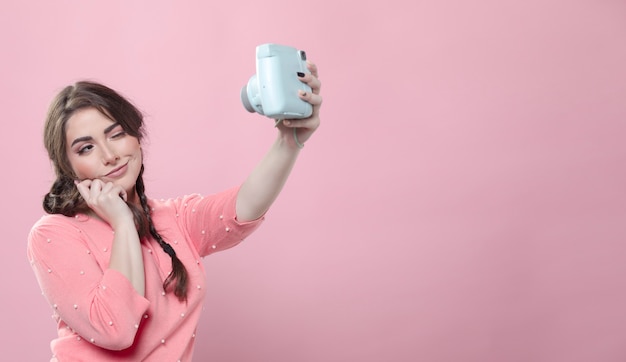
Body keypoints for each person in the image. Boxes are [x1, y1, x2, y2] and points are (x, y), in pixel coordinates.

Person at [27, 62, 322, 361]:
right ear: (68, 167)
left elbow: (242, 208)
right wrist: (123, 222)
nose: (109, 155)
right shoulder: (53, 234)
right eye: (86, 148)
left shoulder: (175, 217)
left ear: (136, 137)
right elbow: (115, 329)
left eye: (116, 134)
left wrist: (289, 141)